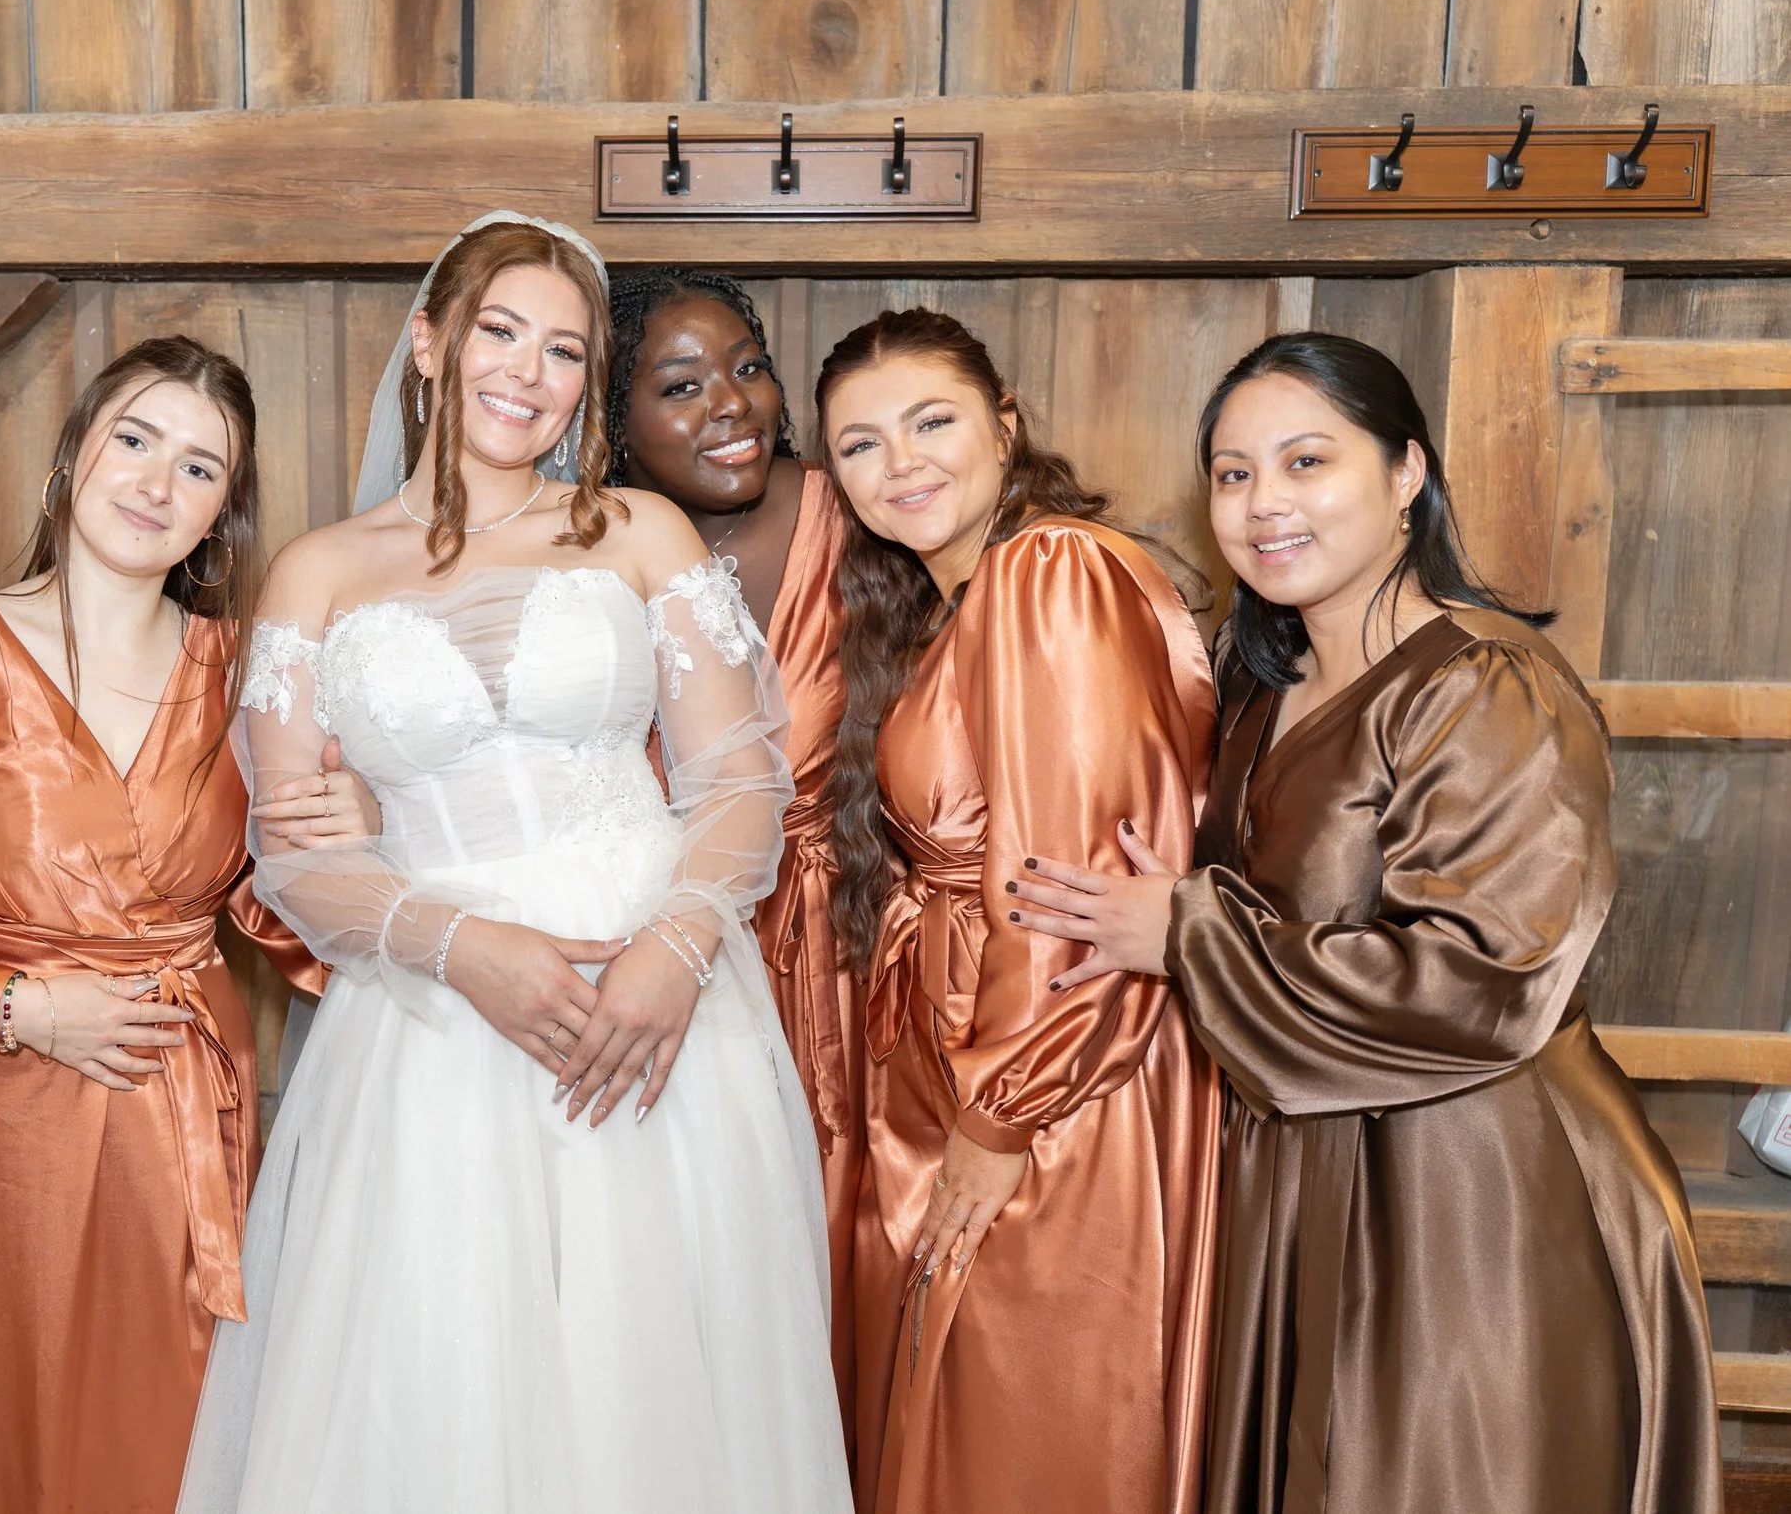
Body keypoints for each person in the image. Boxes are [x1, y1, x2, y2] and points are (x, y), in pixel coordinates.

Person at [177, 213, 851, 1514]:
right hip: (433, 1022)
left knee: (656, 1379)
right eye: (499, 332)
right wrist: (461, 946)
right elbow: (295, 856)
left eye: (563, 350)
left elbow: (739, 778)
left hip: (652, 1001)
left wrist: (674, 948)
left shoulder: (641, 531)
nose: (527, 373)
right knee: (444, 1384)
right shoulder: (318, 573)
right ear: (430, 342)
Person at [1015, 331, 1721, 1514]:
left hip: (1472, 1189)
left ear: (1405, 475)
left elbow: (1482, 978)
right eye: (1233, 473)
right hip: (1302, 1165)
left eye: (1306, 461)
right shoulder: (1260, 684)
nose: (1262, 502)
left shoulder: (1484, 683)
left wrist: (1186, 933)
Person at [0, 338, 373, 1514]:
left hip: (166, 1109)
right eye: (135, 440)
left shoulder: (244, 679)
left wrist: (357, 830)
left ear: (221, 514)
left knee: (158, 1446)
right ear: (73, 455)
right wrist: (11, 1003)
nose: (157, 483)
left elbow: (291, 912)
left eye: (200, 468)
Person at [819, 308, 1219, 1514]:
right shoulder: (955, 601)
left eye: (931, 422)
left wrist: (1001, 1117)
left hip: (1061, 1082)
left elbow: (1071, 885)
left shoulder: (1050, 573)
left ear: (1005, 425)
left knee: (1025, 1439)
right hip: (981, 1058)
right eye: (860, 445)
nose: (900, 463)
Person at [604, 267, 859, 1427]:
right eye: (679, 385)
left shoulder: (860, 514)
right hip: (664, 968)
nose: (729, 403)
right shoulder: (589, 559)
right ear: (612, 421)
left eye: (747, 368)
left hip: (852, 964)